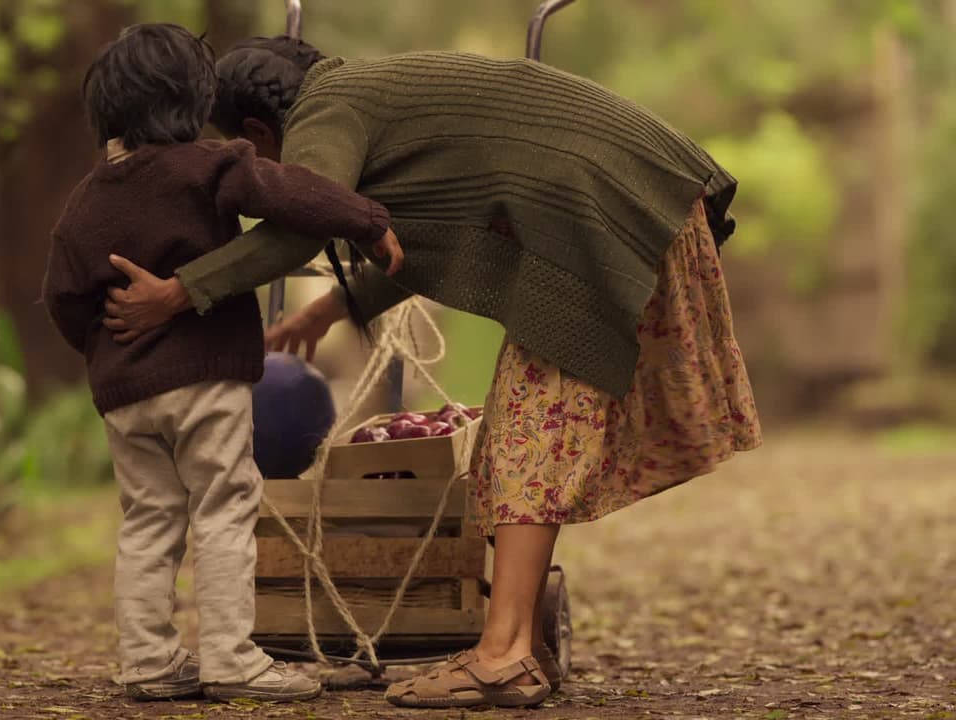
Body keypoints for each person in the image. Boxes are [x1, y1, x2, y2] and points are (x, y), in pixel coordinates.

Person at [100, 35, 764, 710]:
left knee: (526, 439)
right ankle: (513, 649)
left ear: (256, 131)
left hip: (599, 214)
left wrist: (179, 292)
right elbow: (409, 241)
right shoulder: (366, 96)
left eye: (263, 163)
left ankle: (503, 656)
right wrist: (331, 308)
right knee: (527, 433)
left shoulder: (327, 110)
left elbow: (302, 222)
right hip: (628, 199)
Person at [40, 24, 402, 704]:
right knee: (224, 507)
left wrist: (102, 351)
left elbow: (62, 296)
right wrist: (366, 217)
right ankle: (230, 657)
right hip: (202, 377)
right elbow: (292, 192)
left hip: (124, 392)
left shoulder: (85, 200)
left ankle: (147, 661)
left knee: (148, 519)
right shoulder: (208, 166)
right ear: (190, 101)